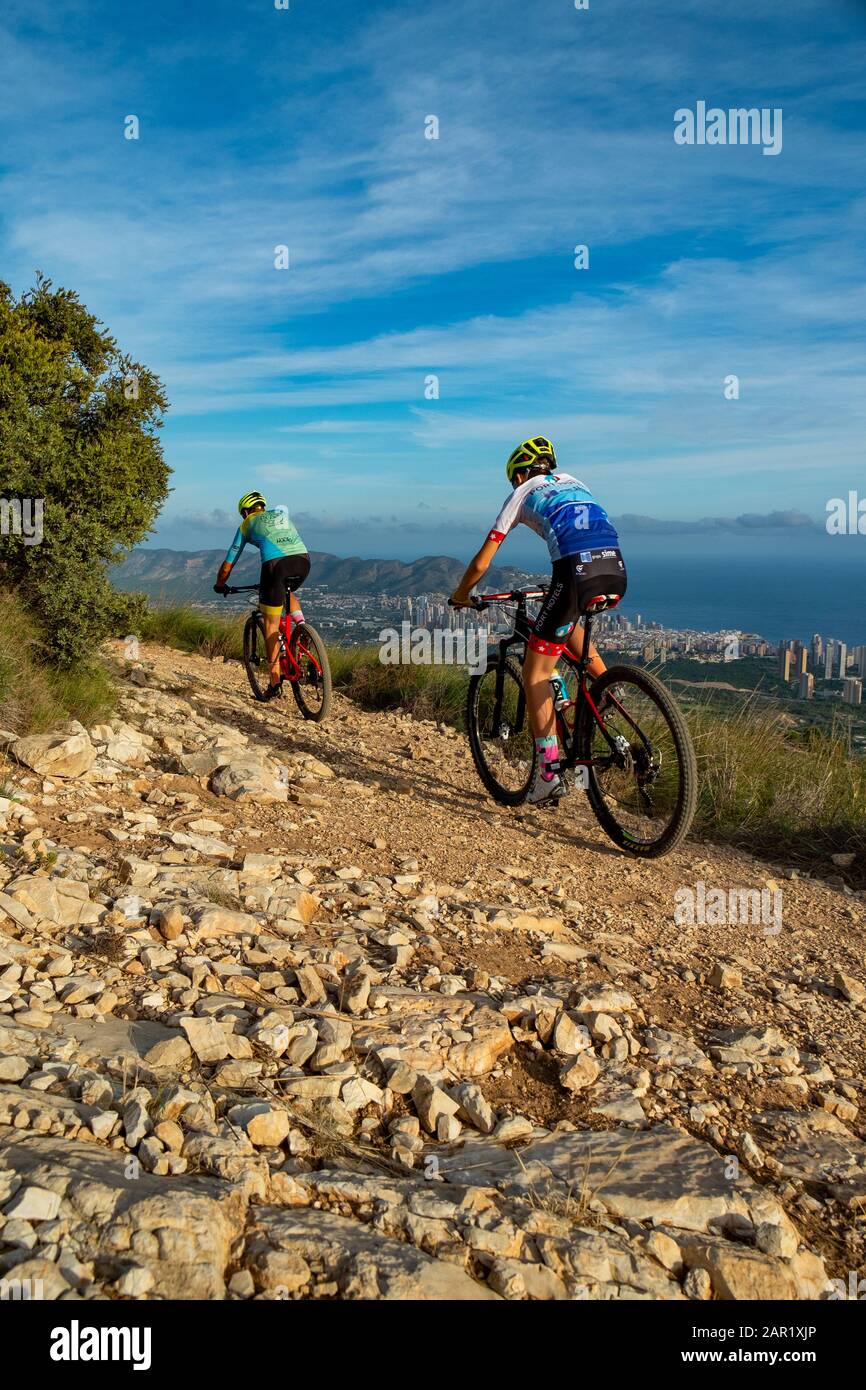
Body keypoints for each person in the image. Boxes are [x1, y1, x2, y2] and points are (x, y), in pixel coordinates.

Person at [450, 436, 627, 803]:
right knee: (567, 625)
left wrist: (461, 595)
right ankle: (608, 691)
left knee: (535, 674)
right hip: (615, 567)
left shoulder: (520, 494)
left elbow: (482, 561)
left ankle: (546, 776)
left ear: (518, 475)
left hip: (574, 573)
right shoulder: (577, 482)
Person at [214, 491, 310, 700]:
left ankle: (275, 683)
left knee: (270, 626)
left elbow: (229, 563)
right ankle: (302, 627)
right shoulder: (280, 516)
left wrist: (220, 584)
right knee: (287, 592)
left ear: (246, 511)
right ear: (262, 506)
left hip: (276, 566)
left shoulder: (246, 524)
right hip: (303, 560)